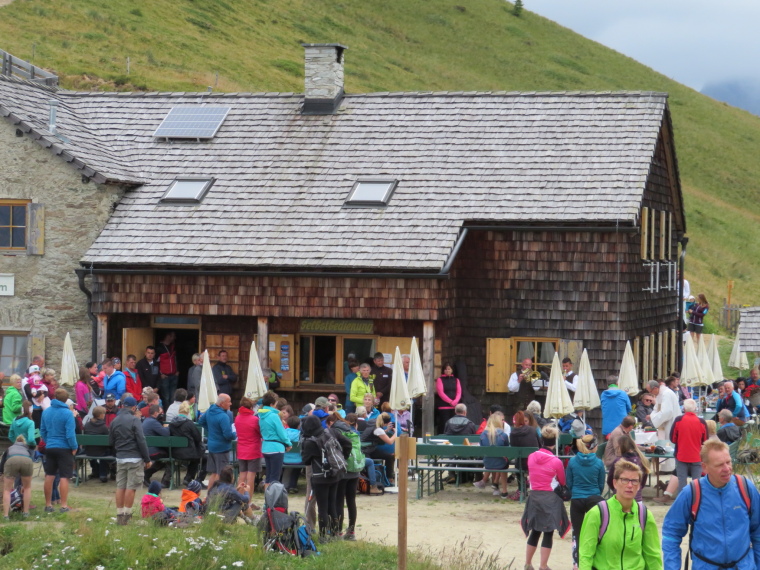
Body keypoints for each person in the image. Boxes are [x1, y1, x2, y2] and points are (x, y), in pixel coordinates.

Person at [662, 439, 760, 570]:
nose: (727, 469)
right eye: (719, 465)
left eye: (728, 462)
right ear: (704, 467)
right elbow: (671, 534)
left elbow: (758, 531)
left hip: (743, 565)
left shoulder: (745, 488)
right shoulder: (692, 493)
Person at [579, 460, 662, 570]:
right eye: (624, 480)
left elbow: (653, 556)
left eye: (634, 481)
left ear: (639, 486)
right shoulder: (598, 513)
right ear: (615, 483)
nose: (629, 485)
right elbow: (585, 554)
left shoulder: (644, 515)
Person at [521, 425, 570, 570]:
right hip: (550, 498)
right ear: (554, 441)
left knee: (535, 531)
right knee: (548, 532)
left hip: (534, 496)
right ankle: (543, 565)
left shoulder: (531, 457)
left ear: (541, 439)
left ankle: (528, 563)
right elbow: (562, 482)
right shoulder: (556, 461)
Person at [300, 414, 351, 538]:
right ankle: (334, 533)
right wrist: (342, 457)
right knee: (332, 504)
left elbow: (306, 461)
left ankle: (323, 536)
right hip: (335, 474)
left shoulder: (309, 442)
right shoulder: (332, 432)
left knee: (322, 507)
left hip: (319, 476)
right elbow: (348, 443)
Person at [110, 396, 152, 525]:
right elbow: (141, 440)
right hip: (134, 457)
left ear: (122, 406)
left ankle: (119, 514)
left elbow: (111, 441)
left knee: (120, 486)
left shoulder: (114, 420)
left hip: (121, 457)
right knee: (131, 487)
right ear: (134, 407)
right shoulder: (135, 420)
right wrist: (147, 459)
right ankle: (127, 515)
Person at [566, 435, 605, 570]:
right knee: (595, 532)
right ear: (594, 446)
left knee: (577, 533)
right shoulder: (599, 463)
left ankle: (577, 563)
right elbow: (601, 484)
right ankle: (594, 562)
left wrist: (576, 491)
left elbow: (569, 482)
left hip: (577, 498)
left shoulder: (572, 462)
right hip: (594, 498)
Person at [661, 399, 707, 504]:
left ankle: (682, 502)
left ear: (684, 408)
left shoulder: (678, 420)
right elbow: (705, 440)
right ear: (695, 408)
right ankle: (697, 501)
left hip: (681, 455)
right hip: (696, 456)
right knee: (697, 481)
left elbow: (673, 438)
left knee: (682, 480)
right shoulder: (701, 422)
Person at [40, 388, 78, 513]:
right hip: (64, 447)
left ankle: (48, 504)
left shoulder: (46, 412)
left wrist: (49, 441)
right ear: (66, 400)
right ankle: (63, 505)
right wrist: (74, 447)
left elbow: (43, 431)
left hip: (50, 446)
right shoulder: (67, 413)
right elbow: (70, 434)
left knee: (49, 475)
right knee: (64, 476)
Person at [326, 412, 360, 538]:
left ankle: (338, 530)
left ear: (331, 423)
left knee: (339, 500)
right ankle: (351, 531)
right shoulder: (353, 430)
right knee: (351, 500)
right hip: (355, 469)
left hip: (343, 469)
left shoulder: (335, 431)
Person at [199, 393, 237, 491]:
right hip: (222, 447)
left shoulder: (210, 410)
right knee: (221, 474)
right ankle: (217, 496)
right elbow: (228, 435)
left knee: (214, 473)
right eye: (229, 402)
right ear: (222, 403)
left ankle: (209, 495)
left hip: (212, 446)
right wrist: (235, 434)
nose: (231, 404)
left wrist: (211, 431)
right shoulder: (223, 416)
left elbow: (201, 421)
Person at [257, 391, 292, 487]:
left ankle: (267, 500)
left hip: (266, 447)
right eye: (276, 403)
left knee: (268, 476)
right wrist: (288, 443)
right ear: (272, 404)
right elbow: (281, 432)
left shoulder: (261, 416)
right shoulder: (274, 416)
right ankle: (272, 500)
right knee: (275, 477)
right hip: (276, 448)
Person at [169, 401, 205, 486]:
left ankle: (188, 478)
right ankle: (189, 478)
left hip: (175, 452)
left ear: (179, 411)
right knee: (201, 458)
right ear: (188, 412)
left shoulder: (172, 424)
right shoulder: (189, 424)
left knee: (196, 457)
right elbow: (198, 438)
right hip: (189, 452)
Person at [510, 411, 541, 501]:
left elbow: (513, 450)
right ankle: (535, 490)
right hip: (535, 461)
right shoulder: (532, 430)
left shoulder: (513, 433)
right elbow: (539, 445)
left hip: (521, 464)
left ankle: (521, 490)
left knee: (518, 464)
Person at [607, 435, 650, 502]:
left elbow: (610, 480)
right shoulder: (642, 460)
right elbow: (642, 482)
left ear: (620, 447)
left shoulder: (618, 462)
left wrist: (617, 489)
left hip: (620, 498)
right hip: (637, 498)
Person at [477, 412, 510, 499]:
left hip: (487, 463)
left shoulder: (483, 435)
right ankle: (504, 491)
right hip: (501, 464)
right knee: (503, 461)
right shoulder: (503, 435)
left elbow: (481, 448)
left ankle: (494, 484)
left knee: (497, 459)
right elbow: (507, 450)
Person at [234, 396, 263, 494]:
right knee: (251, 478)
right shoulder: (254, 419)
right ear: (251, 407)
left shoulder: (237, 418)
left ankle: (238, 499)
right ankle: (248, 502)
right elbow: (260, 433)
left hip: (241, 449)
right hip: (253, 450)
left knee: (242, 475)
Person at [360, 412, 397, 486]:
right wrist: (396, 433)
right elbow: (390, 441)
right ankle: (374, 483)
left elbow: (377, 433)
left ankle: (388, 478)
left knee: (389, 457)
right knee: (388, 457)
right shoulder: (378, 429)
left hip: (368, 449)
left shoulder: (372, 423)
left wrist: (386, 430)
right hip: (366, 451)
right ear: (385, 423)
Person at [2, 435, 34, 520]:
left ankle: (6, 515)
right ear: (24, 442)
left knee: (7, 490)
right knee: (27, 488)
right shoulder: (27, 448)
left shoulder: (10, 448)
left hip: (12, 460)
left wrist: (1, 472)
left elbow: (3, 461)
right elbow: (31, 458)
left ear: (15, 441)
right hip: (27, 460)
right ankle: (26, 512)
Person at [142, 404, 172, 487]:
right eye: (160, 412)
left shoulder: (147, 421)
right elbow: (166, 433)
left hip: (147, 449)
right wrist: (168, 427)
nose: (162, 414)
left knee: (165, 456)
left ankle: (147, 474)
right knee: (171, 456)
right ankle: (165, 480)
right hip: (152, 451)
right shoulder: (153, 422)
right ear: (155, 413)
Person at [83, 406, 111, 483]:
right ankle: (103, 474)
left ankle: (95, 471)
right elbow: (108, 441)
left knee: (95, 450)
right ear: (101, 415)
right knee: (105, 452)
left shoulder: (87, 425)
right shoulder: (104, 427)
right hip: (101, 452)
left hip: (88, 451)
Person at [435, 362, 462, 434]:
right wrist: (450, 401)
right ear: (443, 370)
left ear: (452, 370)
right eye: (446, 369)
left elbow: (459, 392)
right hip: (443, 407)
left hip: (454, 407)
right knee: (444, 424)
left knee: (453, 425)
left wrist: (455, 401)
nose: (447, 371)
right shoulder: (440, 380)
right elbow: (440, 392)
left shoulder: (456, 380)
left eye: (449, 369)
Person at [650, 377, 680, 442]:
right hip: (665, 423)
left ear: (655, 388)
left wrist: (653, 417)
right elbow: (656, 409)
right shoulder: (660, 394)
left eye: (650, 391)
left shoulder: (666, 394)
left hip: (670, 423)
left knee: (669, 441)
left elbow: (667, 412)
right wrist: (653, 415)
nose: (651, 393)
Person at [156, 332, 178, 407]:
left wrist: (177, 370)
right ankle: (166, 414)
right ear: (168, 336)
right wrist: (160, 374)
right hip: (165, 376)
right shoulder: (159, 348)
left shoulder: (173, 346)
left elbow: (176, 359)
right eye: (173, 336)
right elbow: (156, 362)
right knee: (166, 397)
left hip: (174, 375)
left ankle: (171, 413)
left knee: (173, 398)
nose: (174, 338)